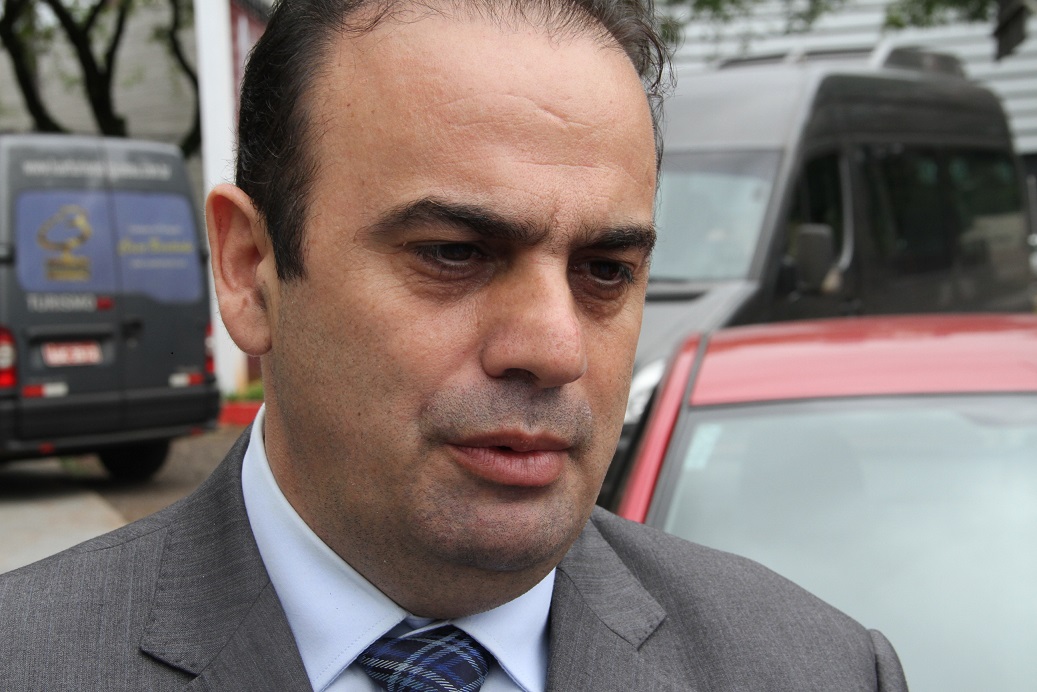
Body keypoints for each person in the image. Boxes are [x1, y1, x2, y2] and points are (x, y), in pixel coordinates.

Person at [0, 1, 908, 690]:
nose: (554, 348)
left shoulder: (816, 669)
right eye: (453, 253)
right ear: (249, 270)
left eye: (605, 270)